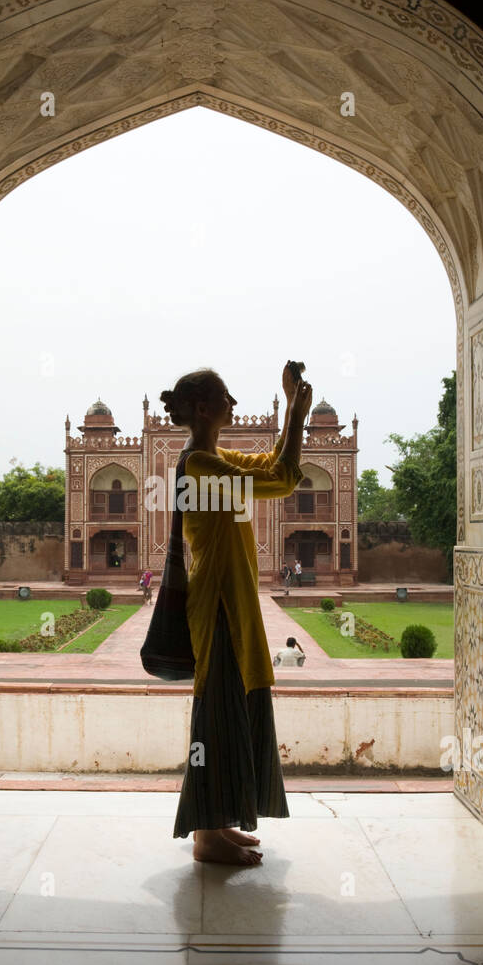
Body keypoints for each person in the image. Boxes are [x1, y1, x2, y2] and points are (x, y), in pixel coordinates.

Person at [162, 362, 312, 867]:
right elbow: (286, 479)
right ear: (204, 408)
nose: (233, 402)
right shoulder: (199, 466)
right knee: (217, 710)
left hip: (235, 598)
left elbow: (272, 464)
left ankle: (221, 819)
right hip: (218, 600)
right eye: (225, 396)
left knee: (236, 704)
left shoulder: (211, 457)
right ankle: (205, 836)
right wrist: (295, 410)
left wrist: (292, 413)